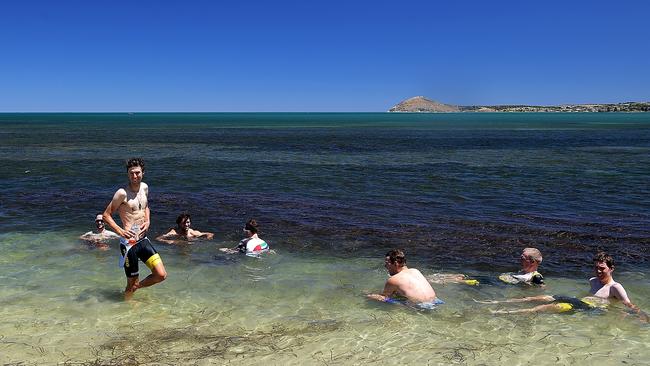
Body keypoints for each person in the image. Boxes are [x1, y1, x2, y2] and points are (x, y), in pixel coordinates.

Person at [483, 252, 648, 321]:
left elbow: (628, 304)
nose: (598, 271)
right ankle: (495, 303)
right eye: (596, 267)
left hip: (589, 308)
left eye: (602, 268)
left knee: (543, 307)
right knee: (540, 297)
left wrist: (642, 316)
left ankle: (502, 313)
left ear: (611, 269)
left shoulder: (615, 287)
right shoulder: (593, 280)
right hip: (578, 301)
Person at [103, 158, 167, 299]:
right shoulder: (122, 193)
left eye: (137, 173)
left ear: (143, 173)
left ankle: (136, 287)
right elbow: (106, 215)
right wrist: (121, 231)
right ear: (128, 174)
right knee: (130, 283)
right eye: (131, 173)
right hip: (129, 244)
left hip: (143, 240)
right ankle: (128, 308)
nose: (134, 176)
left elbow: (146, 207)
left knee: (161, 275)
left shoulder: (145, 188)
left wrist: (148, 221)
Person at [426, 247, 544, 287]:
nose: (520, 258)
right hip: (491, 279)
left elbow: (541, 287)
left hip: (493, 284)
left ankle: (430, 282)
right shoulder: (523, 270)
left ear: (532, 262)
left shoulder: (536, 277)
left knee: (460, 280)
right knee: (461, 275)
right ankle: (429, 278)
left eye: (523, 257)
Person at [367, 249, 442, 309]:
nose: (385, 266)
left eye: (387, 263)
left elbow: (384, 297)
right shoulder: (415, 271)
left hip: (420, 305)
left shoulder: (393, 280)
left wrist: (369, 295)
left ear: (396, 263)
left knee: (375, 297)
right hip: (436, 301)